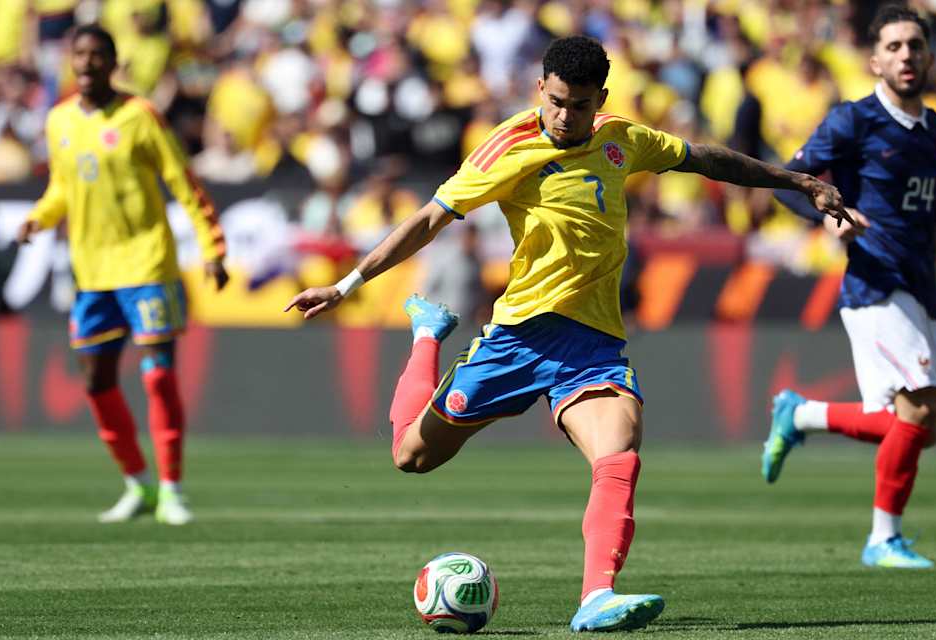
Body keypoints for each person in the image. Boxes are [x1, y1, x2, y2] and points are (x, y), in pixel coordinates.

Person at [285, 36, 849, 632]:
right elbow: (429, 219)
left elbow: (706, 159)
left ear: (599, 99)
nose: (564, 116)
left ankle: (596, 596)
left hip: (592, 346)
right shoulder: (508, 146)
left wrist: (798, 181)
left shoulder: (622, 139)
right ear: (540, 89)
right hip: (517, 338)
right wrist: (346, 285)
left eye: (579, 105)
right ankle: (428, 333)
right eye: (555, 102)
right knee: (411, 456)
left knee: (619, 452)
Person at [762, 5, 936, 568]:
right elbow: (785, 184)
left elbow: (917, 210)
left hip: (919, 283)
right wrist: (828, 214)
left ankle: (800, 415)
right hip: (875, 281)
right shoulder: (854, 120)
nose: (905, 55)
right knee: (918, 411)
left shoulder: (935, 128)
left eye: (914, 45)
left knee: (924, 427)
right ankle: (882, 539)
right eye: (893, 47)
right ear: (875, 60)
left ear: (929, 56)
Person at [16, 25, 229, 526]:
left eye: (97, 55)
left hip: (146, 263)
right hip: (92, 272)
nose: (87, 63)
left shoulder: (140, 116)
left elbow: (183, 181)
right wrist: (39, 218)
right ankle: (139, 483)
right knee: (96, 380)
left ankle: (172, 489)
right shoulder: (59, 119)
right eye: (79, 54)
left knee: (158, 375)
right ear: (70, 61)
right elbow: (62, 188)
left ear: (113, 64)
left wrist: (212, 248)